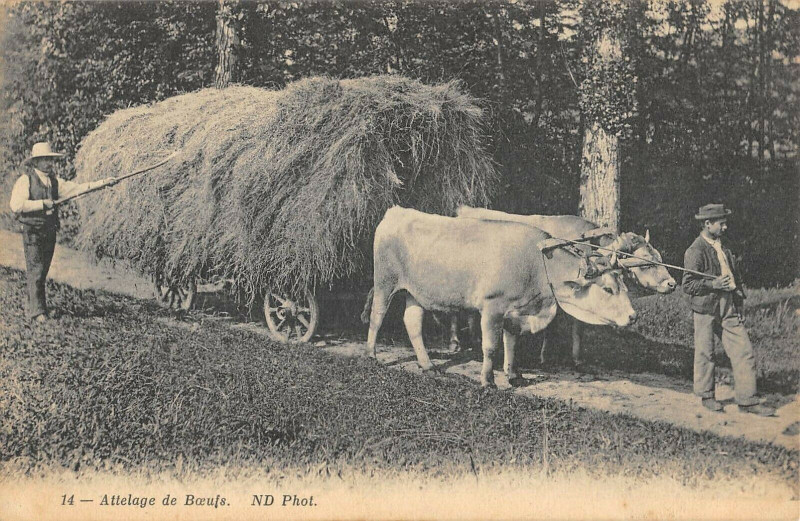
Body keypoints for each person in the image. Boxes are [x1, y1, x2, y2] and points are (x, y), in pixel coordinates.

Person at [682, 203, 775, 416]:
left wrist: (738, 303)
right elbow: (687, 285)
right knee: (706, 352)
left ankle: (747, 400)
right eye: (721, 224)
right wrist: (711, 285)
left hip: (728, 306)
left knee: (744, 350)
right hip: (705, 308)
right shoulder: (695, 250)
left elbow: (736, 278)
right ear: (708, 224)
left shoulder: (725, 247)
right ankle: (706, 396)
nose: (725, 227)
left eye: (725, 223)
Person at [8, 142, 116, 322]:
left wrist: (104, 183)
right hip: (33, 231)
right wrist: (42, 204)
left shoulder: (55, 182)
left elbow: (78, 188)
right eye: (45, 160)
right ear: (35, 163)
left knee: (43, 271)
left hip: (49, 231)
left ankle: (36, 306)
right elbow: (16, 205)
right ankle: (37, 312)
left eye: (51, 159)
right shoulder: (25, 180)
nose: (49, 163)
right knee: (36, 269)